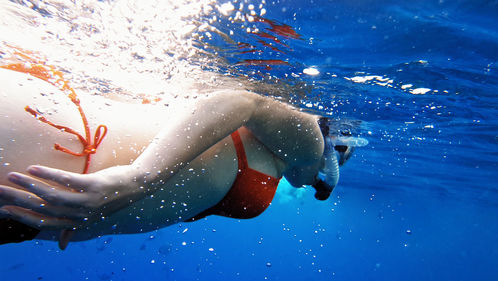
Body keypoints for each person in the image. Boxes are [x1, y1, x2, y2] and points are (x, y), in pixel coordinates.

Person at [0, 64, 365, 249]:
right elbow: (239, 101)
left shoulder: (287, 156)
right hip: (60, 142)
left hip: (35, 210)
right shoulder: (309, 144)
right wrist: (137, 179)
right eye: (344, 147)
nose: (344, 156)